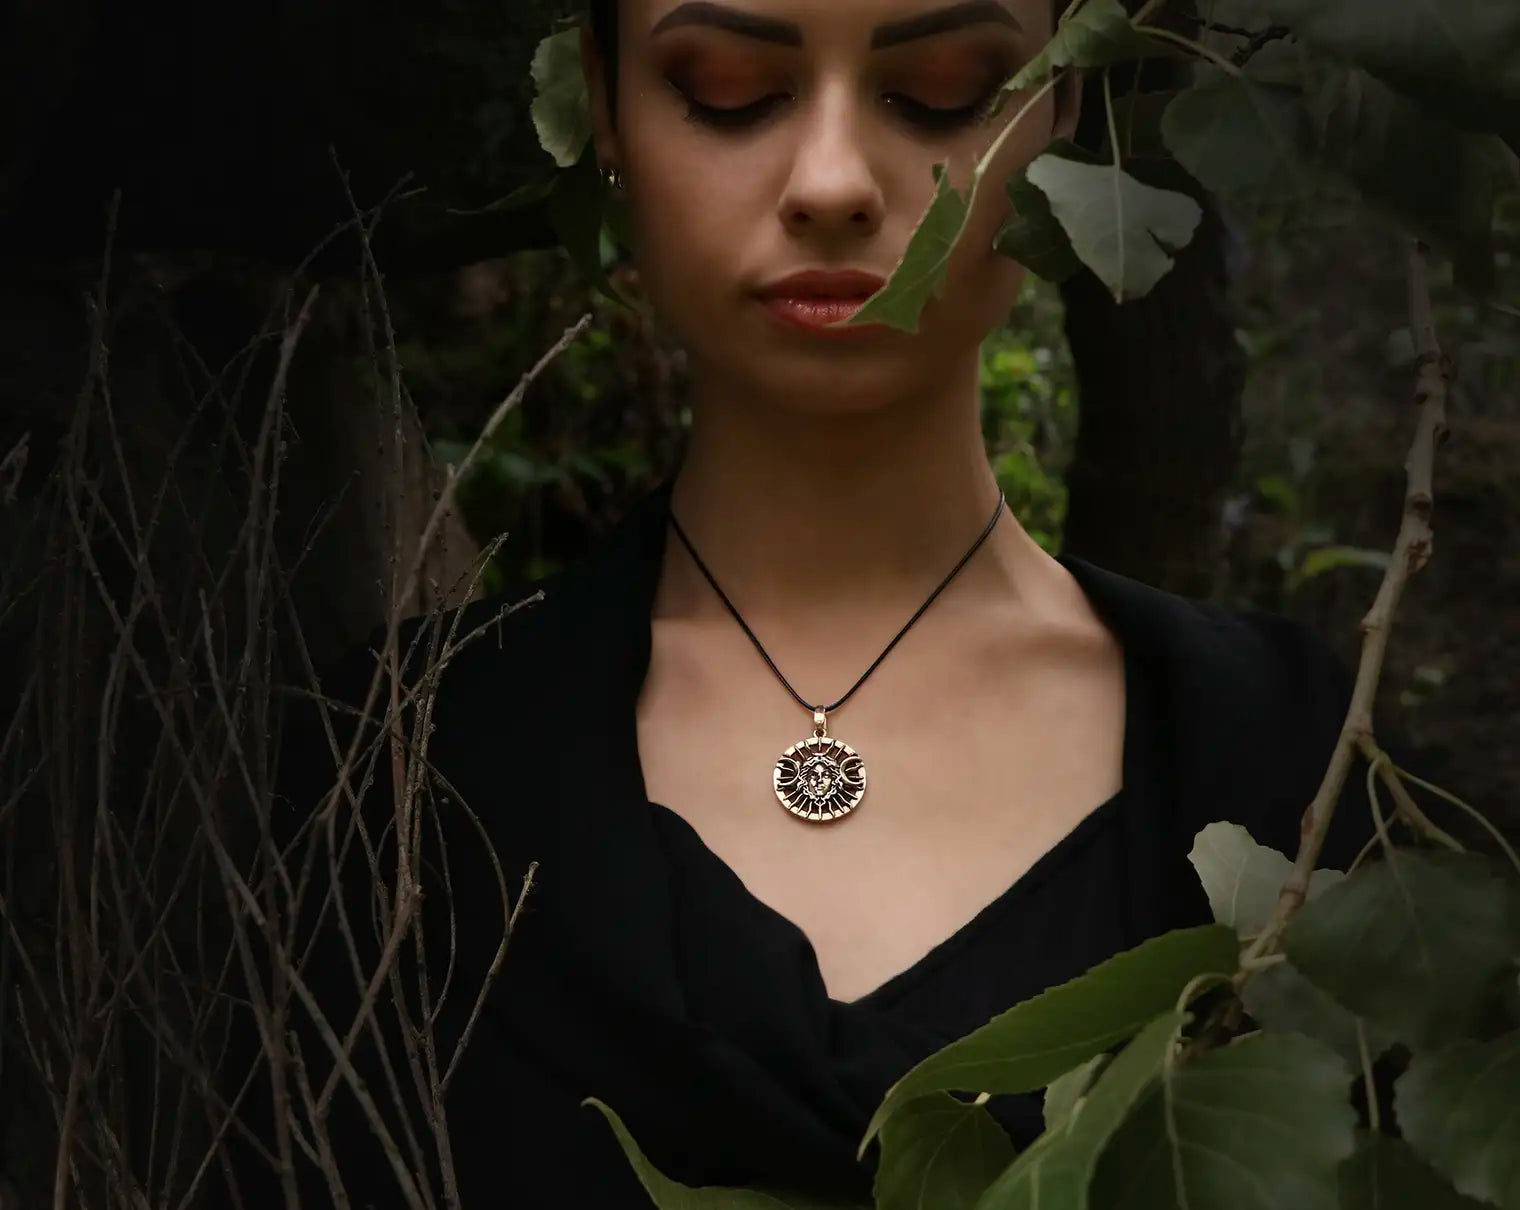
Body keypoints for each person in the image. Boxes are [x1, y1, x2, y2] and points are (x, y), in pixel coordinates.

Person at [235, 0, 1385, 1205]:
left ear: (1066, 109)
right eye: (728, 89)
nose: (830, 181)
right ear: (605, 102)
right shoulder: (389, 766)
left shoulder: (1300, 769)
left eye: (940, 88)